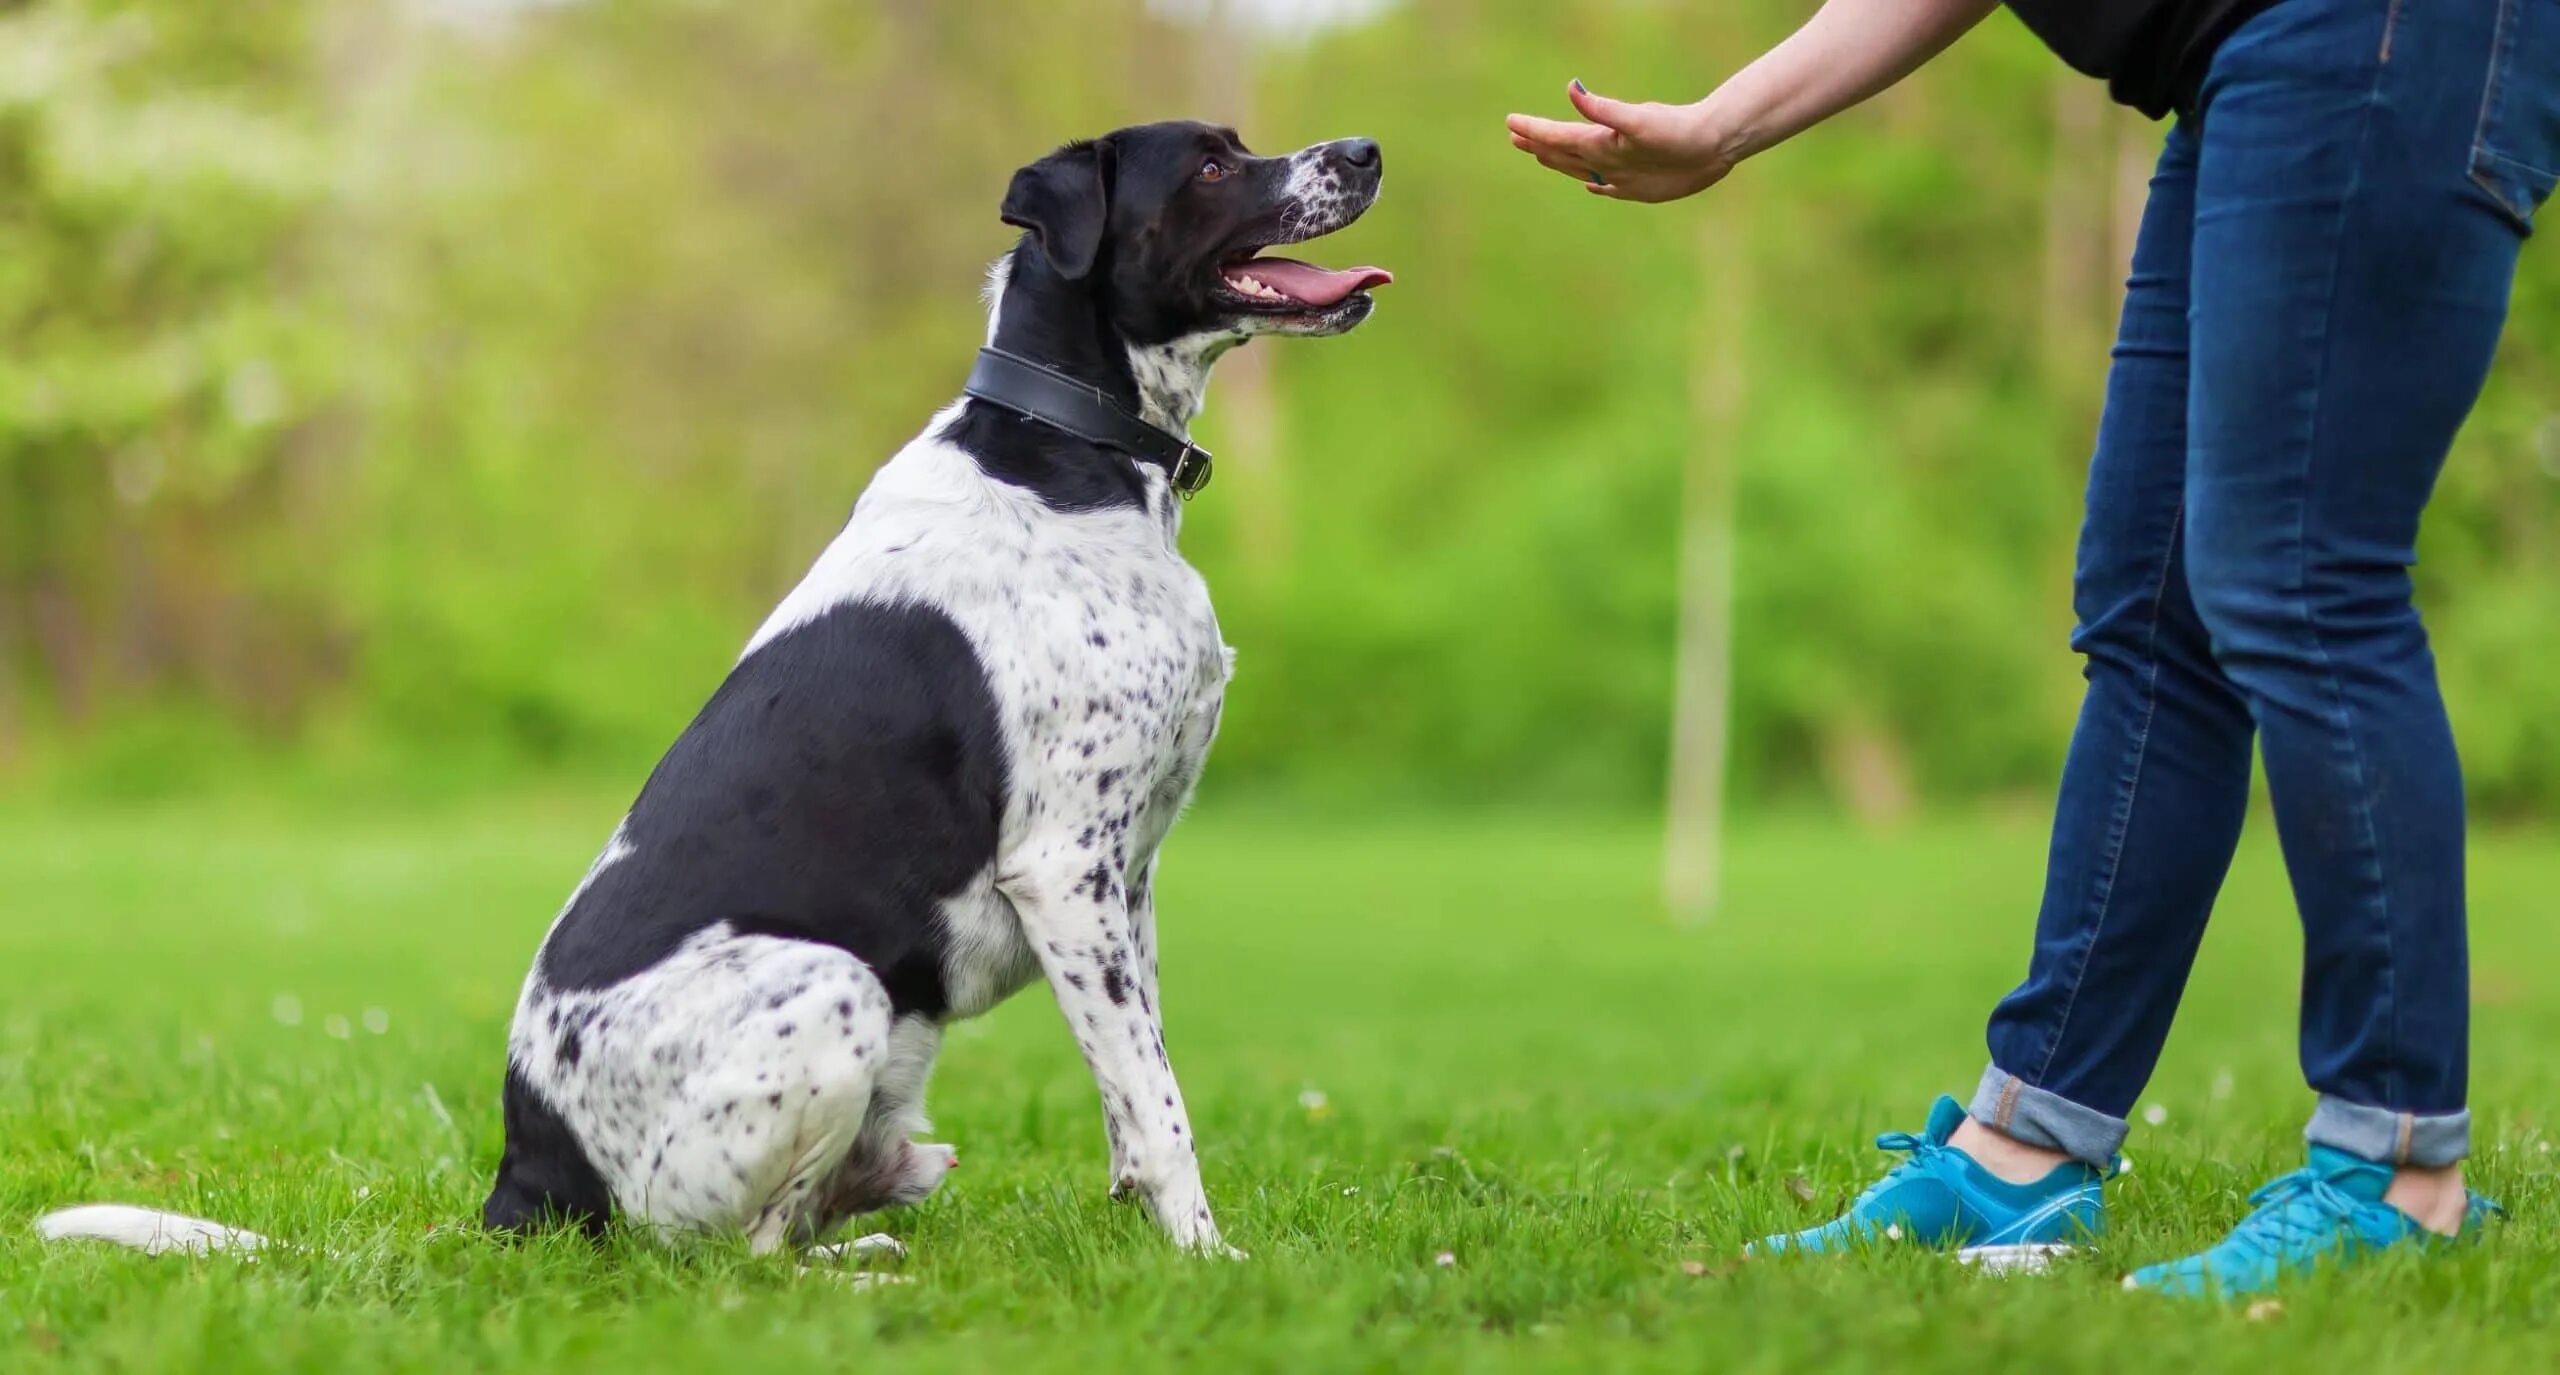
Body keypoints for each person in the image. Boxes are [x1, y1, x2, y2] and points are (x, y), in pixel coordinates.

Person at [1509, 0, 2555, 1298]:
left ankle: (2397, 1165)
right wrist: (1727, 122)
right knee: (2154, 616)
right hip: (2244, 65)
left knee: (2300, 575)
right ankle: (2027, 1148)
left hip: (2373, 37)